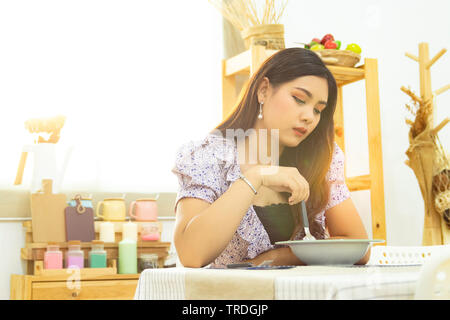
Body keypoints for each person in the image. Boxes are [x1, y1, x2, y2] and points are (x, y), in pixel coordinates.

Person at [171, 47, 369, 268]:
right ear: (263, 90)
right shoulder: (209, 156)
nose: (309, 117)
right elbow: (191, 255)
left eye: (318, 110)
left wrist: (280, 257)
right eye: (299, 99)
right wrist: (255, 177)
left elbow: (359, 247)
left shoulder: (323, 159)